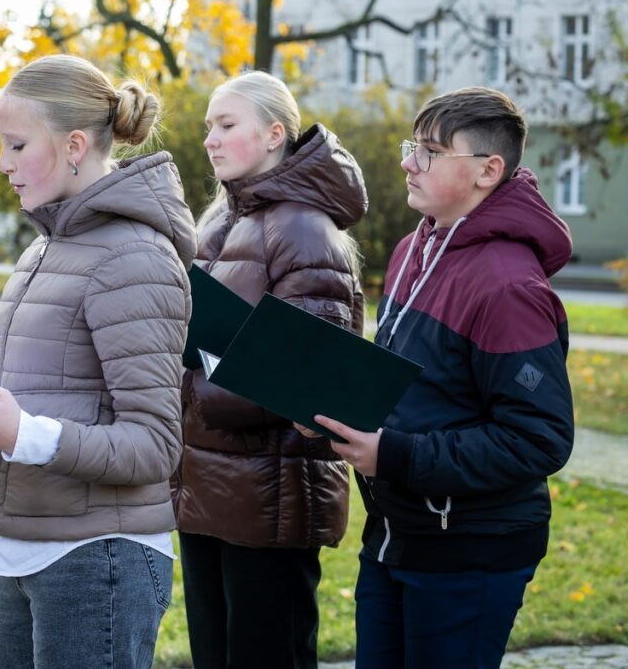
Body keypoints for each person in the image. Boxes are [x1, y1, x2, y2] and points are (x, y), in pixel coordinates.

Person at [0, 54, 197, 668]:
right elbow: (44, 410)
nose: (3, 163)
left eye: (17, 144)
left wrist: (25, 433)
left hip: (99, 558)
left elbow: (156, 446)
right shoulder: (44, 251)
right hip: (24, 545)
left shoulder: (134, 257)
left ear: (75, 145)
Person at [302, 87, 575, 668]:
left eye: (428, 151)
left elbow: (539, 438)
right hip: (396, 536)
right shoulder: (412, 249)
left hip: (469, 555)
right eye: (411, 146)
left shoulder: (509, 287)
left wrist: (394, 456)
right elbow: (407, 389)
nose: (408, 162)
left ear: (487, 170)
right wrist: (330, 406)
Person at [171, 70, 367, 669]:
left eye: (227, 125)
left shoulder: (305, 230)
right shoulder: (215, 223)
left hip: (271, 498)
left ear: (275, 133)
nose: (211, 139)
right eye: (208, 127)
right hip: (206, 486)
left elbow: (311, 378)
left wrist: (197, 380)